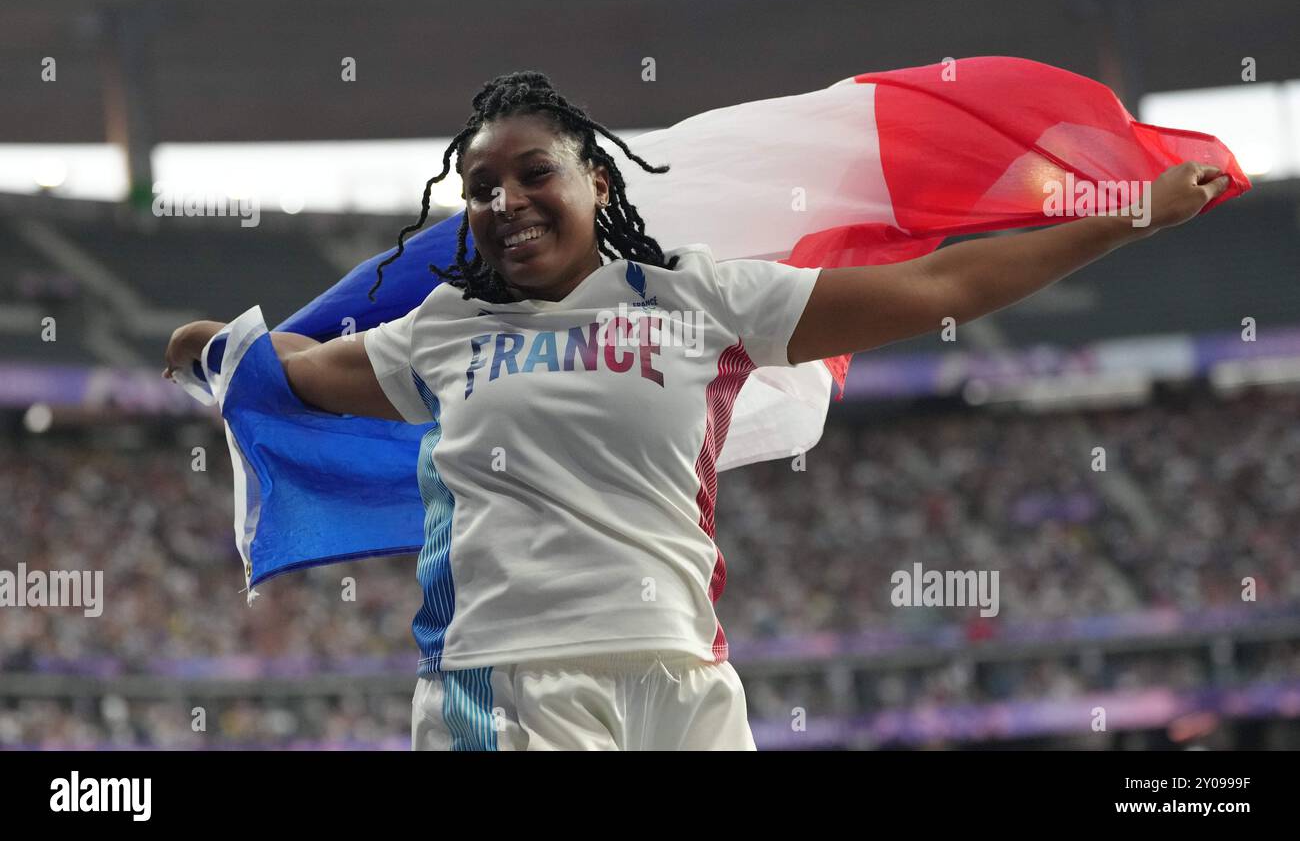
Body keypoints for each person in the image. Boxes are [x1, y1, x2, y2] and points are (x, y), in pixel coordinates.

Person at [164, 71, 1231, 750]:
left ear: (595, 179)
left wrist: (1122, 216)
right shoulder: (443, 329)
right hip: (510, 685)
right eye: (480, 188)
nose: (505, 201)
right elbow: (303, 374)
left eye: (533, 172)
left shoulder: (699, 299)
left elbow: (945, 289)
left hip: (684, 678)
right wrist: (229, 349)